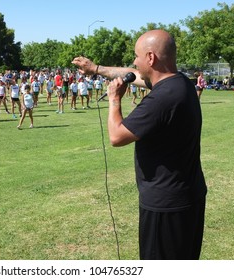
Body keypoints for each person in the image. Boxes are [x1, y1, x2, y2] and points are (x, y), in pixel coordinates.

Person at [72, 29, 207, 260]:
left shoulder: (162, 99)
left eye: (136, 56)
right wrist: (96, 69)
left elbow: (117, 136)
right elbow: (134, 74)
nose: (134, 61)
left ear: (151, 58)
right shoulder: (180, 83)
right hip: (187, 196)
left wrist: (114, 100)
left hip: (165, 205)